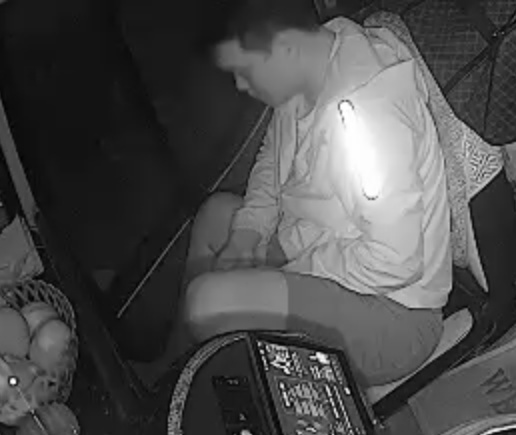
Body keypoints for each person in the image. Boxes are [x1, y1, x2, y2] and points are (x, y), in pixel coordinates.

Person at [184, 0, 451, 386]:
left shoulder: (369, 123)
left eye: (244, 70)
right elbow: (273, 159)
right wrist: (250, 232)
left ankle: (203, 380)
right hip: (331, 252)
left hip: (393, 314)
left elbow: (394, 262)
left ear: (286, 48)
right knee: (218, 216)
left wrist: (289, 267)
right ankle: (190, 368)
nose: (241, 85)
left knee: (207, 304)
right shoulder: (312, 64)